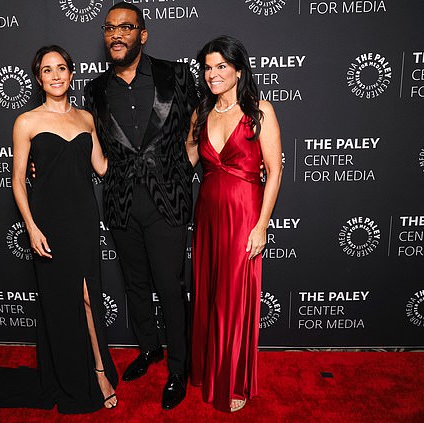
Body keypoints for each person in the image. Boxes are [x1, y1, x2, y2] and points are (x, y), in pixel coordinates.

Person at [0, 45, 118, 414]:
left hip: (84, 219)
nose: (55, 75)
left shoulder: (86, 118)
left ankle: (99, 370)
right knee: (61, 303)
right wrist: (32, 227)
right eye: (47, 70)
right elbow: (18, 182)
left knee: (89, 296)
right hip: (49, 222)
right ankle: (78, 375)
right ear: (38, 79)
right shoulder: (27, 121)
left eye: (61, 68)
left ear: (71, 73)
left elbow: (102, 167)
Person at [83, 2, 197, 410]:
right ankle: (149, 349)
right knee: (135, 284)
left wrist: (180, 169)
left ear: (142, 34)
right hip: (120, 201)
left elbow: (197, 127)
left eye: (126, 27)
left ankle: (179, 367)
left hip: (168, 200)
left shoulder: (177, 75)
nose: (116, 34)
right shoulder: (94, 89)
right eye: (109, 28)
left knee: (170, 285)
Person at [186, 35, 283, 413]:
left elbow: (273, 173)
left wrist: (261, 226)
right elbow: (184, 165)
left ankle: (236, 378)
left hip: (244, 215)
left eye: (221, 67)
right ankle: (209, 368)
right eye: (208, 68)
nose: (213, 74)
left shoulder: (260, 111)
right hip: (208, 216)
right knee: (209, 293)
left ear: (239, 69)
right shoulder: (201, 113)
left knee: (236, 299)